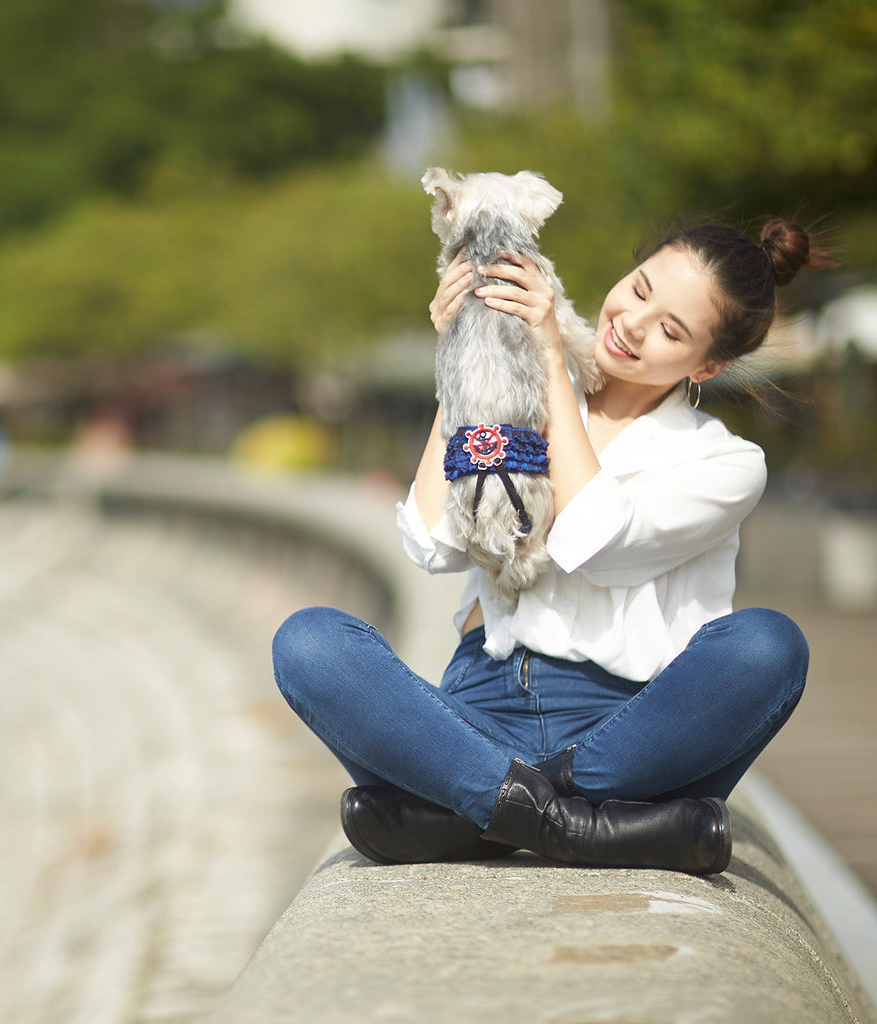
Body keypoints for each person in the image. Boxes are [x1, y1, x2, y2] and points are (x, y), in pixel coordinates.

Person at [272, 216, 819, 875]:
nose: (633, 323)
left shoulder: (725, 462)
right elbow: (433, 541)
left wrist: (553, 361)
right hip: (477, 708)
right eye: (639, 289)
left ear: (709, 364)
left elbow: (595, 540)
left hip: (627, 734)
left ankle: (477, 808)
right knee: (309, 644)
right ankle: (578, 825)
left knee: (769, 647)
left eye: (672, 330)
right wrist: (468, 365)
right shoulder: (516, 394)